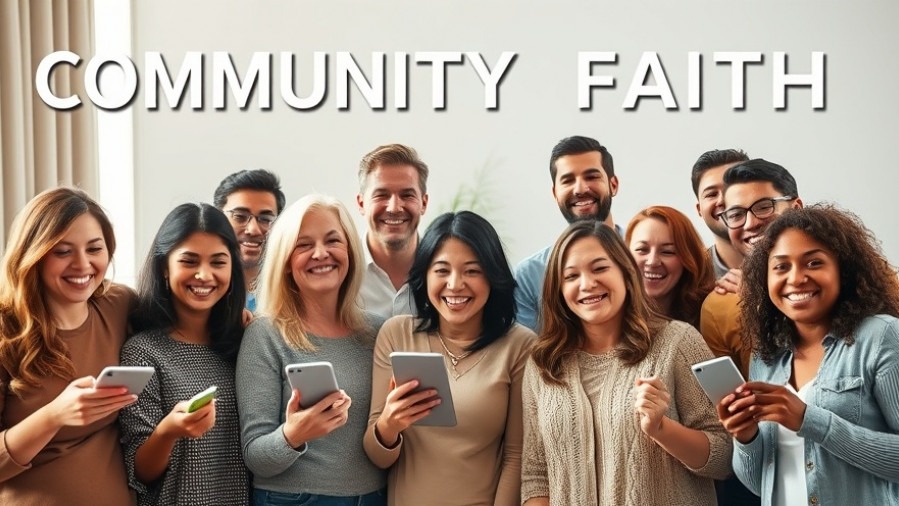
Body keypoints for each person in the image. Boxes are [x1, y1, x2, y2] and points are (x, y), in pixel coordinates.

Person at [521, 221, 731, 506]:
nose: (587, 284)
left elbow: (724, 456)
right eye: (571, 276)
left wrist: (661, 429)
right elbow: (536, 475)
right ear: (558, 289)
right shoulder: (543, 364)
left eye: (599, 268)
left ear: (625, 272)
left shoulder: (678, 342)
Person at [717, 204, 899, 506]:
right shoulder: (766, 356)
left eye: (814, 263)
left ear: (843, 270)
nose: (796, 278)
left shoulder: (881, 337)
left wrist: (809, 420)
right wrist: (746, 437)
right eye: (781, 267)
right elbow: (759, 484)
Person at [364, 211, 534, 506]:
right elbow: (377, 457)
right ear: (425, 275)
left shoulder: (519, 346)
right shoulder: (397, 334)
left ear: (492, 276)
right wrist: (389, 425)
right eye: (442, 270)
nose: (455, 284)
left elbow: (516, 456)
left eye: (472, 271)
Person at [237, 194, 386, 505]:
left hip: (374, 497)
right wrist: (294, 435)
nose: (320, 253)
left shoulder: (378, 332)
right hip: (292, 499)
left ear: (350, 251)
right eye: (303, 245)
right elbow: (255, 456)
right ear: (286, 262)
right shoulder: (265, 334)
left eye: (333, 241)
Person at [0, 187, 137, 505]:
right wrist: (54, 416)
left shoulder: (120, 304)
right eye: (63, 252)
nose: (83, 264)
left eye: (95, 248)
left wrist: (239, 318)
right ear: (33, 254)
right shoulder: (6, 330)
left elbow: (185, 319)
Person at [118, 203, 250, 505]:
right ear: (165, 267)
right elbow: (141, 472)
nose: (204, 275)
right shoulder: (142, 352)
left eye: (218, 262)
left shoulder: (244, 343)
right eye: (189, 261)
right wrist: (168, 431)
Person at [700, 159, 803, 378]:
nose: (750, 223)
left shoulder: (847, 275)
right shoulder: (720, 305)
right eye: (736, 214)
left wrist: (762, 300)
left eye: (764, 207)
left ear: (796, 208)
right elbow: (729, 394)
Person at [514, 135, 622, 332]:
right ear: (555, 193)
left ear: (613, 185)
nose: (580, 189)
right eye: (568, 180)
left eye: (591, 177)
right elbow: (526, 348)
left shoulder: (646, 257)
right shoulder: (530, 275)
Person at [356, 144, 429, 318]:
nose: (394, 207)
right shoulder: (341, 272)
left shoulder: (445, 271)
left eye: (407, 195)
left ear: (424, 203)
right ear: (361, 204)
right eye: (381, 195)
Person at [625, 205, 715, 327]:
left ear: (688, 258)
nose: (652, 262)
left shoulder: (711, 314)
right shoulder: (610, 321)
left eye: (667, 252)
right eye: (642, 249)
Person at [213, 169, 286, 312]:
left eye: (265, 219)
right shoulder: (202, 286)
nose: (253, 230)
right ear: (217, 219)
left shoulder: (293, 289)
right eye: (240, 217)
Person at [690, 148, 750, 287]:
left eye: (733, 189)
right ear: (699, 209)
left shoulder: (789, 261)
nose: (723, 200)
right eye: (711, 194)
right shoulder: (691, 278)